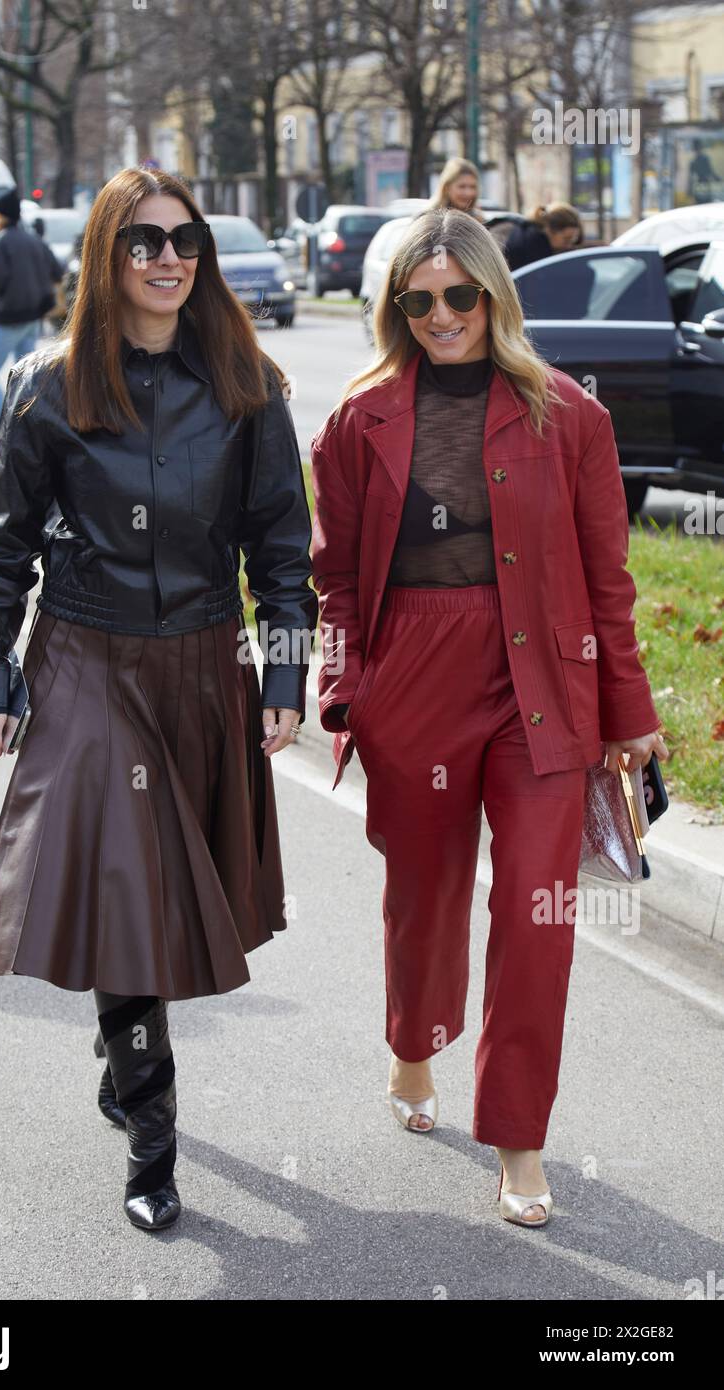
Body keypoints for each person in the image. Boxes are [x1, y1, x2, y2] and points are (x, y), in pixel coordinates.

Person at [0, 166, 318, 1232]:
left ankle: (123, 1064)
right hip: (84, 668)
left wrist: (283, 674)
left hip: (201, 667)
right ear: (106, 257)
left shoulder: (247, 385)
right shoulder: (46, 386)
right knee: (134, 901)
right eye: (144, 242)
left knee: (154, 906)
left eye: (184, 242)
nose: (168, 258)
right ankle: (153, 1151)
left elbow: (283, 556)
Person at [309, 207, 668, 1228]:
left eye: (458, 296)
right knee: (422, 895)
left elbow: (609, 580)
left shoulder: (569, 417)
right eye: (415, 302)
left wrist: (626, 712)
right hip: (413, 673)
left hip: (543, 685)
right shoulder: (356, 419)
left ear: (492, 296)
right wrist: (346, 687)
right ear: (395, 309)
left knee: (533, 912)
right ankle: (413, 1039)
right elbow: (333, 575)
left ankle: (516, 1137)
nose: (439, 316)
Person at [0, 187, 57, 437]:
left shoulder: (1, 243)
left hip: (9, 317)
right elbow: (56, 269)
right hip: (34, 316)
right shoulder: (34, 240)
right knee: (27, 375)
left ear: (1, 216)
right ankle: (28, 424)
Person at [503, 202, 582, 271]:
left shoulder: (525, 232)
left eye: (574, 240)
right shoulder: (535, 249)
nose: (569, 245)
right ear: (549, 230)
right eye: (566, 239)